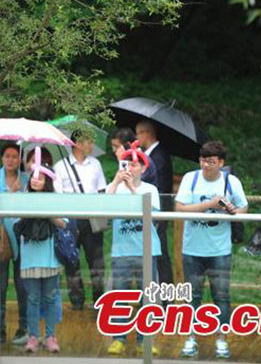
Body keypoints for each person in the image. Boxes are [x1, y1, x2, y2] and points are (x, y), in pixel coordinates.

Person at [174, 140, 247, 359]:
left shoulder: (231, 181)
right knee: (192, 296)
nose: (206, 165)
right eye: (203, 160)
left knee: (222, 296)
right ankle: (190, 337)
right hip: (192, 249)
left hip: (220, 250)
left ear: (221, 163)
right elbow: (180, 208)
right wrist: (210, 205)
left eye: (211, 162)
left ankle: (222, 338)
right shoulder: (191, 178)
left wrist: (234, 211)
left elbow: (244, 207)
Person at [105, 153, 161, 356]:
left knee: (148, 297)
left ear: (144, 169)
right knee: (119, 295)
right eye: (127, 164)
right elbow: (102, 207)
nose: (130, 167)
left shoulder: (150, 189)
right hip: (121, 251)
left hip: (147, 250)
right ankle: (118, 338)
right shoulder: (115, 187)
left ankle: (144, 340)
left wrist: (131, 189)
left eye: (135, 165)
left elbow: (152, 214)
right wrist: (115, 181)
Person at [55, 130, 107, 309]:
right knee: (71, 261)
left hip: (92, 217)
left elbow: (102, 191)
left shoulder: (96, 164)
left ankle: (99, 300)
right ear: (76, 144)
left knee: (97, 261)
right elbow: (58, 195)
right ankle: (76, 299)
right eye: (88, 141)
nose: (91, 145)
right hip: (70, 219)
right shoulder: (61, 166)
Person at [17, 164, 66, 353]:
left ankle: (51, 337)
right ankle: (33, 337)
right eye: (33, 177)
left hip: (49, 257)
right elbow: (15, 222)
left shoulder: (54, 199)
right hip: (30, 256)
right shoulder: (22, 198)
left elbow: (63, 223)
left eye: (40, 177)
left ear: (47, 182)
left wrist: (48, 212)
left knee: (50, 297)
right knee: (33, 298)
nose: (35, 180)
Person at [0, 142, 30, 345]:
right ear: (2, 158)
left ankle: (23, 327)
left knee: (23, 286)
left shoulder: (27, 179)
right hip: (1, 236)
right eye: (7, 156)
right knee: (0, 286)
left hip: (22, 237)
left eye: (14, 156)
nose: (11, 159)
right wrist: (12, 193)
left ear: (19, 158)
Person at [135, 120, 174, 286]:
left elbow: (152, 182)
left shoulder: (158, 157)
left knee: (160, 251)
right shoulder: (152, 155)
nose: (137, 138)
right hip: (154, 208)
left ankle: (165, 296)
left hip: (158, 209)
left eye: (138, 134)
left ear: (146, 134)